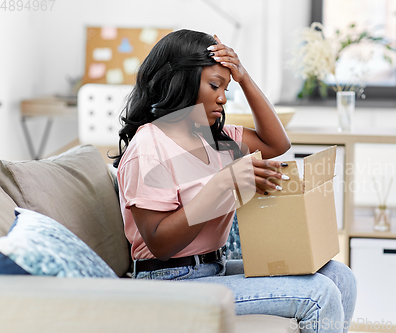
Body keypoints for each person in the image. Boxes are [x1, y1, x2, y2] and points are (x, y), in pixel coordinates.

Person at [114, 29, 356, 333]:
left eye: (227, 88)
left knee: (340, 276)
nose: (223, 98)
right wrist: (222, 184)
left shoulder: (217, 140)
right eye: (215, 85)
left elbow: (277, 143)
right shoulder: (149, 145)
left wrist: (245, 78)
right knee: (319, 294)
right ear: (181, 81)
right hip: (167, 282)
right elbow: (160, 244)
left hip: (211, 269)